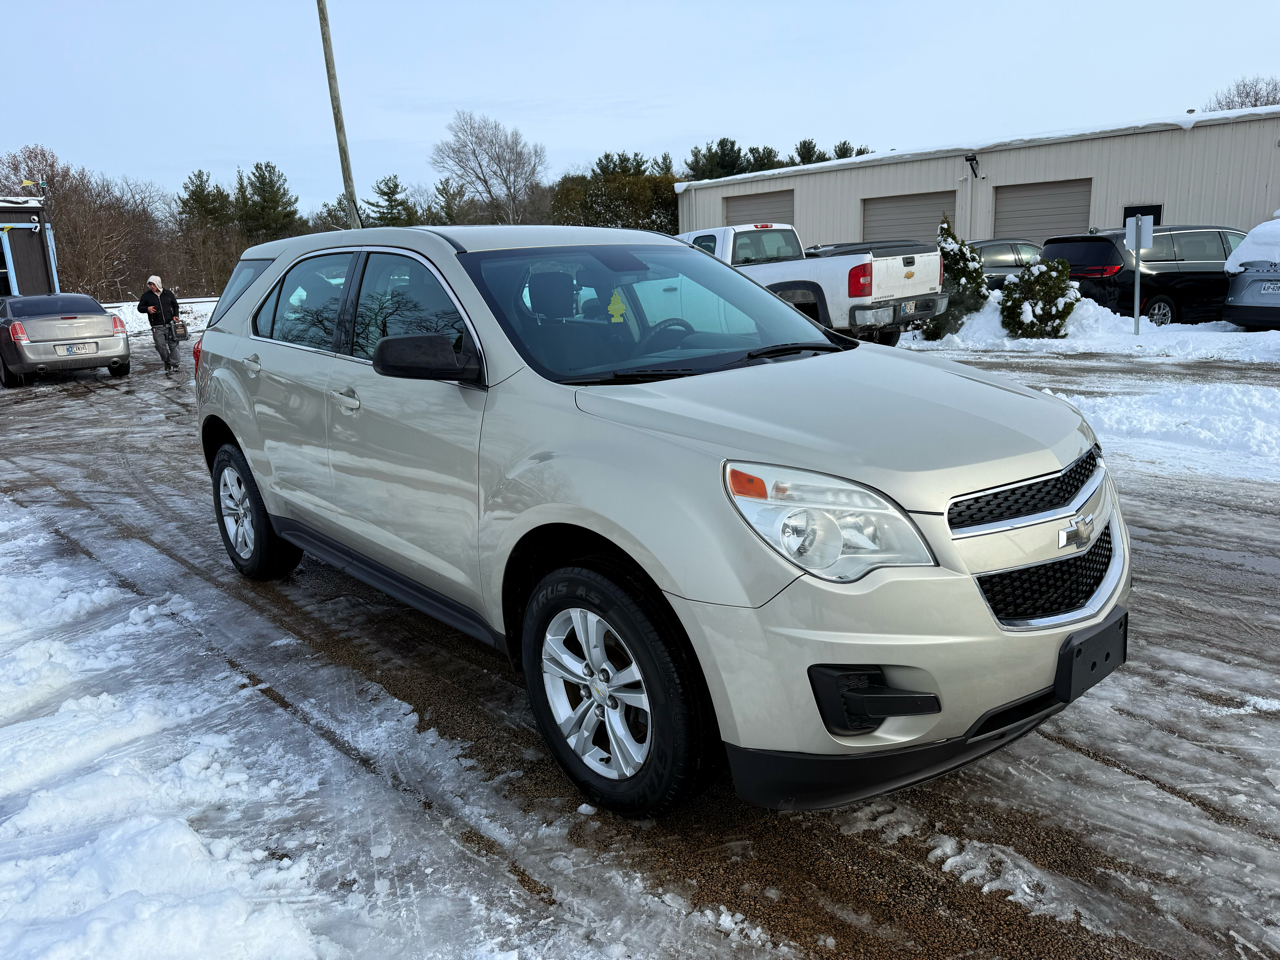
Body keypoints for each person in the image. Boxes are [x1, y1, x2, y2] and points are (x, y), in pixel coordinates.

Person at [137, 275, 181, 373]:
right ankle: (167, 361)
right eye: (150, 284)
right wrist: (147, 309)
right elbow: (139, 308)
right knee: (160, 346)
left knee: (173, 345)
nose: (152, 286)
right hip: (157, 326)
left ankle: (175, 364)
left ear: (158, 284)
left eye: (153, 284)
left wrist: (175, 315)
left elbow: (175, 306)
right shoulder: (146, 296)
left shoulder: (168, 294)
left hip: (170, 325)